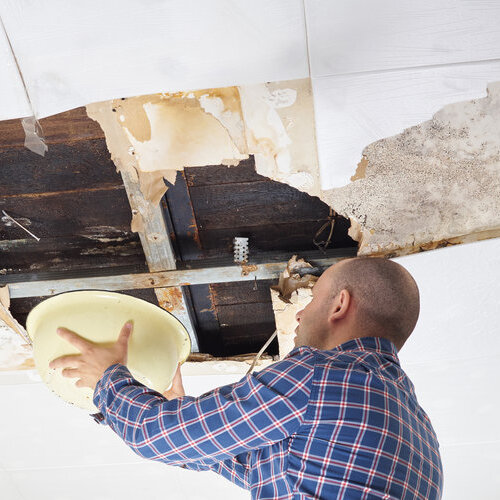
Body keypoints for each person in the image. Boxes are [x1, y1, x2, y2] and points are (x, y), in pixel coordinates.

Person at [50, 257, 443, 499]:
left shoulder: (320, 377)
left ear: (340, 304)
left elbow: (155, 437)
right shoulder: (420, 432)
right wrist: (179, 422)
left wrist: (108, 379)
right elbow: (271, 469)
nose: (302, 315)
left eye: (312, 299)